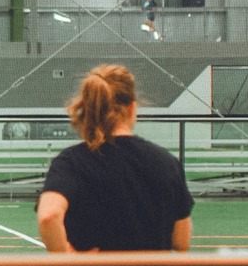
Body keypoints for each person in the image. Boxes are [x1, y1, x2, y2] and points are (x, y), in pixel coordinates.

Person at [36, 63, 192, 253]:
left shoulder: (71, 163)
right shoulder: (167, 163)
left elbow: (49, 215)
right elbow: (181, 242)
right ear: (132, 108)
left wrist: (71, 260)